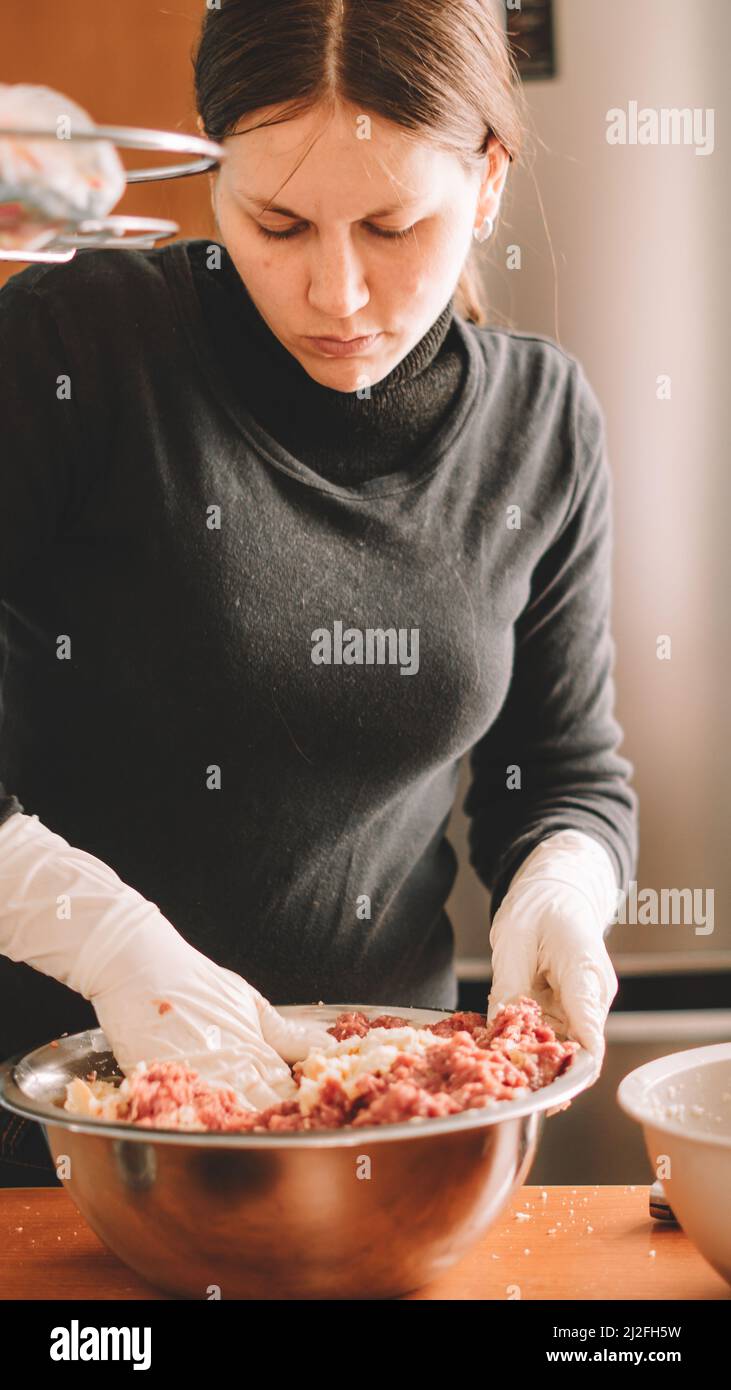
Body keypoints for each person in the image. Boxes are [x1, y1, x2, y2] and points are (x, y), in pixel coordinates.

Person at [0, 0, 638, 1186]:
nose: (336, 294)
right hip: (64, 1148)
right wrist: (109, 943)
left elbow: (561, 772)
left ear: (486, 181)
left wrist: (560, 882)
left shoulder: (541, 425)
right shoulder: (72, 349)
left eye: (393, 224)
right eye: (277, 221)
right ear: (206, 164)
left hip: (391, 1143)